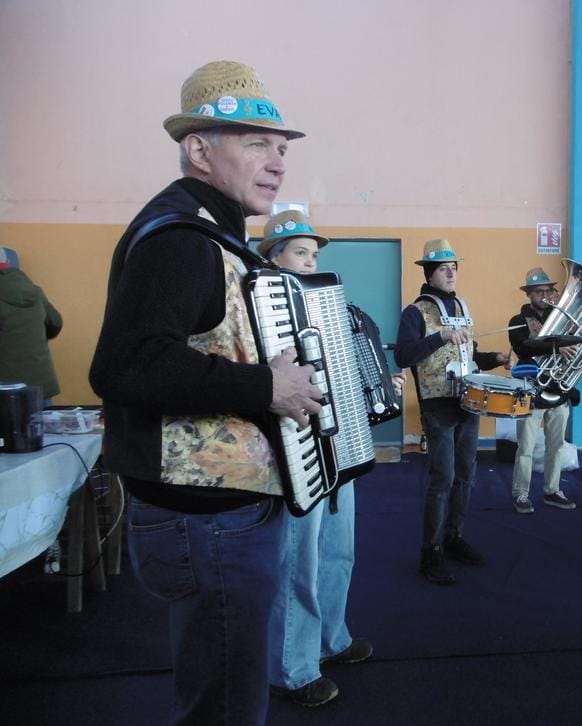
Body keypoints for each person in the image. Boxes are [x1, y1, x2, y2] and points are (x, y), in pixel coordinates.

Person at [89, 61, 321, 726]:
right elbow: (126, 366)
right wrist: (267, 385)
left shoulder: (211, 233)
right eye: (256, 144)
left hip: (214, 516)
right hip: (207, 521)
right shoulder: (181, 240)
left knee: (220, 694)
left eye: (282, 148)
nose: (277, 162)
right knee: (224, 707)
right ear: (198, 149)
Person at [258, 210, 406, 707]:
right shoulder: (261, 311)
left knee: (339, 550)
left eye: (314, 254)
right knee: (298, 558)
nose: (310, 262)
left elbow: (351, 373)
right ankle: (292, 668)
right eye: (300, 253)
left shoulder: (335, 308)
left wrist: (379, 387)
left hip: (342, 446)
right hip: (297, 449)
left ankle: (330, 639)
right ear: (273, 257)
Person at [394, 239, 508, 585]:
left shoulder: (461, 306)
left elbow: (469, 356)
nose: (451, 273)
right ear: (429, 274)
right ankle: (430, 551)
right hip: (437, 405)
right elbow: (404, 356)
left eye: (454, 267)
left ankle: (453, 536)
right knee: (442, 477)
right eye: (443, 268)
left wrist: (495, 359)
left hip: (468, 401)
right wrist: (440, 336)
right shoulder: (415, 312)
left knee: (466, 475)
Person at [507, 267, 578, 513]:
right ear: (529, 294)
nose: (544, 295)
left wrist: (574, 335)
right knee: (526, 447)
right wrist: (555, 348)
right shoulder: (517, 320)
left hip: (558, 389)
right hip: (531, 389)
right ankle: (521, 493)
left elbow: (574, 348)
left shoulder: (560, 318)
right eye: (539, 292)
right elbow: (523, 347)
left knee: (556, 446)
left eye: (547, 291)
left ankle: (552, 490)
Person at [0, 248, 63, 402]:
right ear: (8, 262)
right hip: (40, 387)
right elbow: (55, 322)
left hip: (6, 391)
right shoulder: (33, 289)